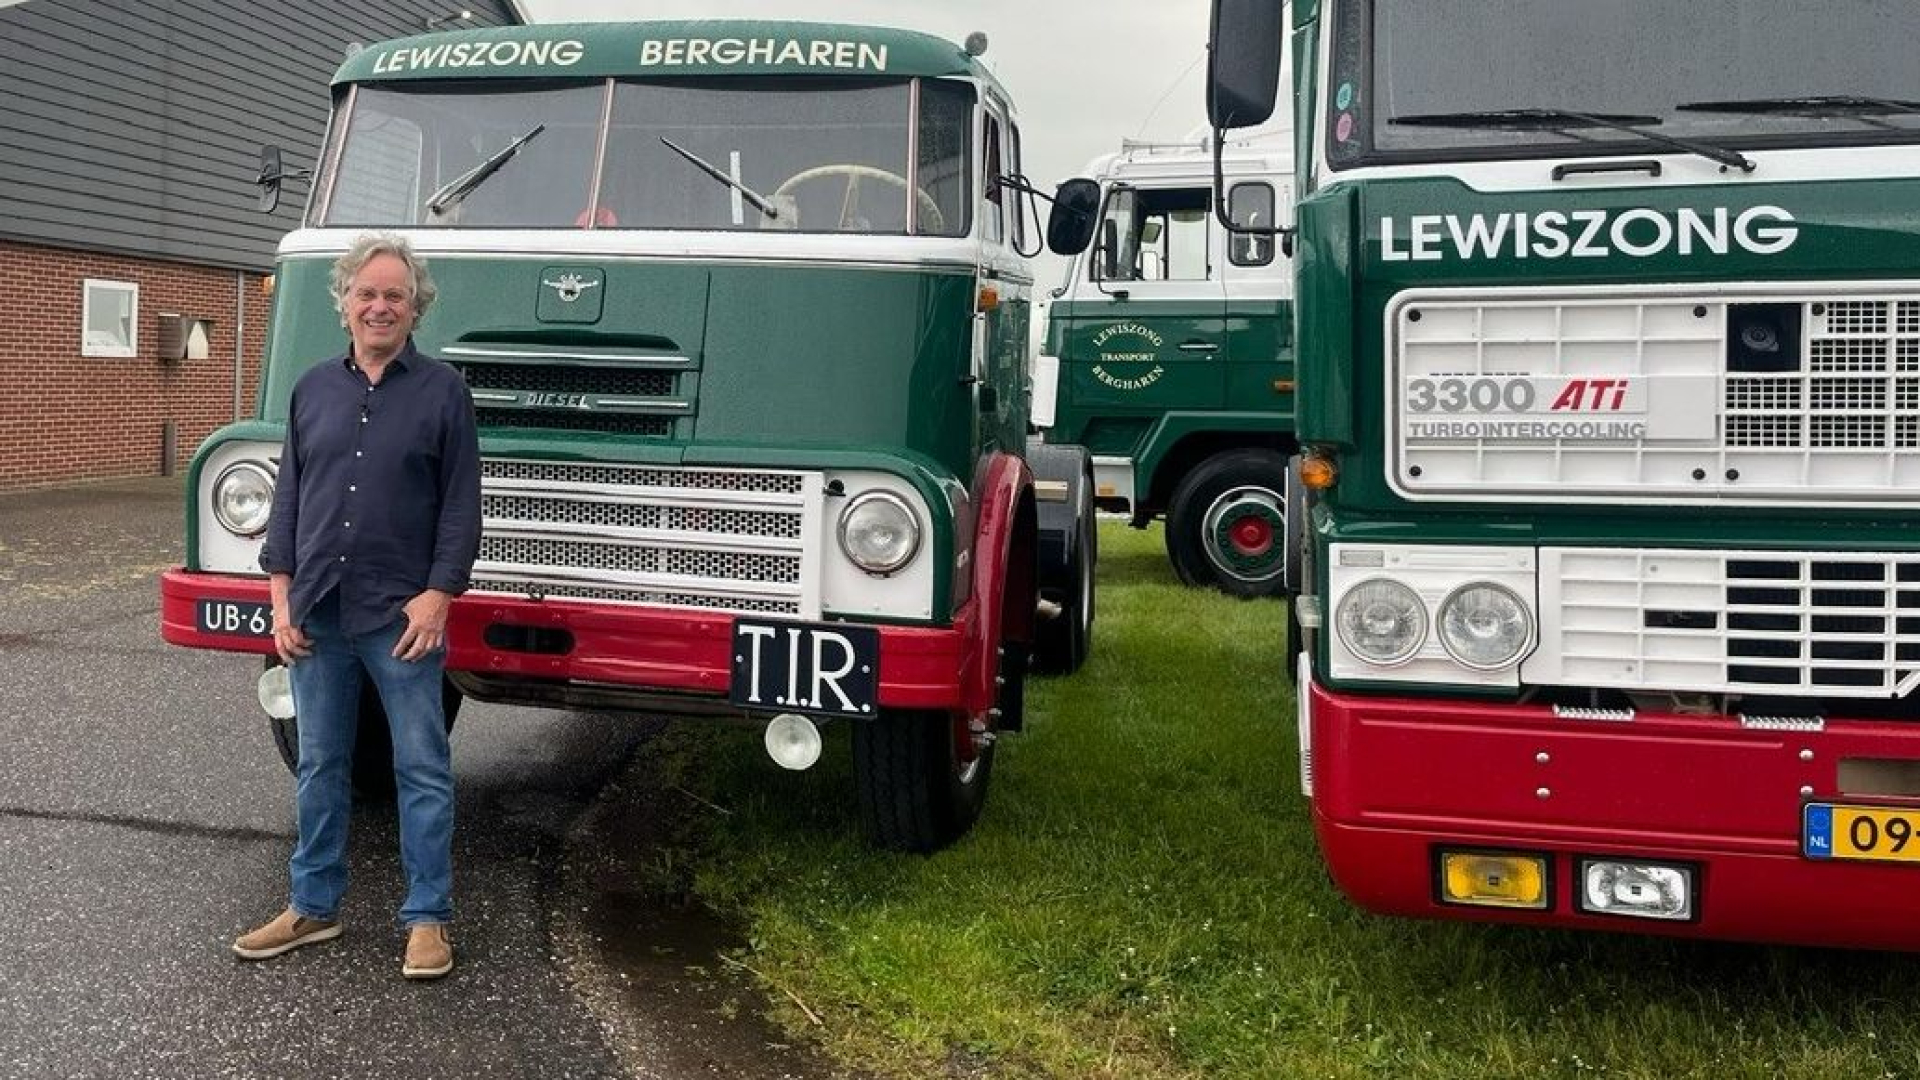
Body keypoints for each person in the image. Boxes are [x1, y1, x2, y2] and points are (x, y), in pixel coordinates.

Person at [232, 232, 481, 980]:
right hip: (317, 612)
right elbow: (289, 500)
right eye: (365, 293)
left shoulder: (444, 392)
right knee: (319, 764)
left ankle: (428, 918)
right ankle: (312, 905)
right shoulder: (312, 388)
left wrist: (438, 597)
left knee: (421, 767)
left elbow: (461, 507)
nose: (379, 306)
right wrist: (280, 599)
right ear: (343, 303)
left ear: (415, 308)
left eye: (394, 295)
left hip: (402, 619)